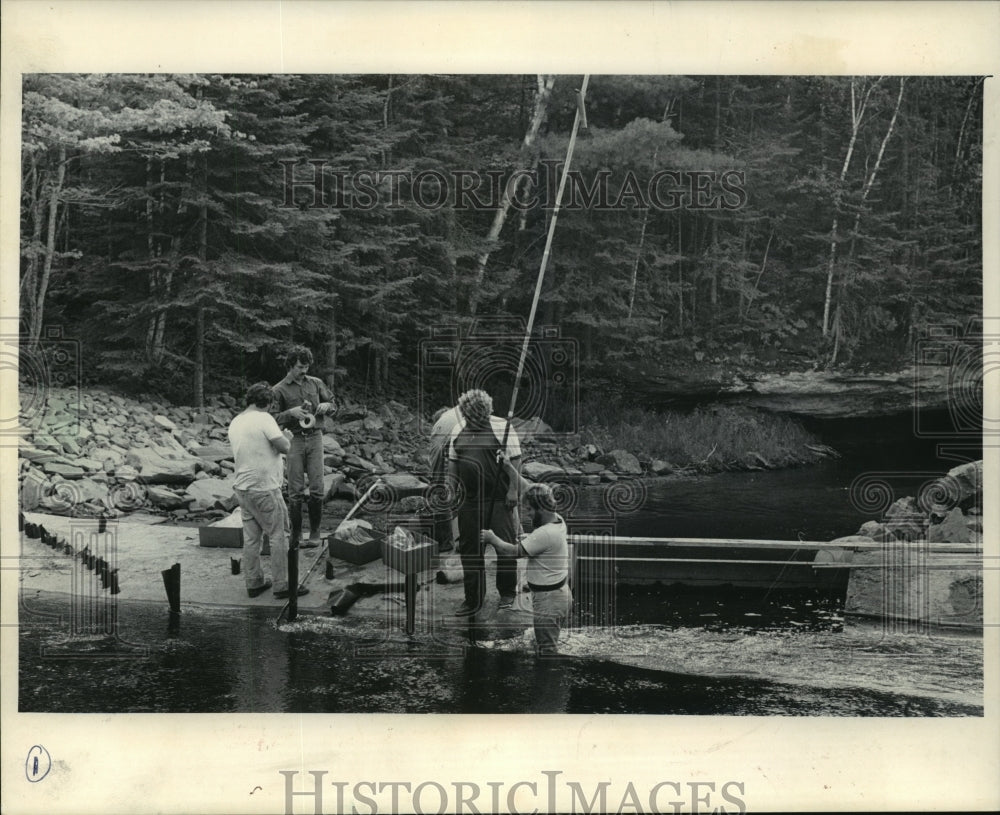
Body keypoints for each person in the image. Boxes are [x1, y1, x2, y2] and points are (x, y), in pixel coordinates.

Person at [227, 382, 308, 600]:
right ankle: (282, 585)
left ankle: (254, 582)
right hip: (264, 488)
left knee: (252, 538)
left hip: (242, 487)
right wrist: (287, 437)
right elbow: (284, 447)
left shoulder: (236, 421)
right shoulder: (264, 419)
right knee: (279, 535)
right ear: (269, 403)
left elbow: (255, 446)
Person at [447, 389, 522, 616]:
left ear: (486, 411)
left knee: (505, 547)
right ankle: (473, 599)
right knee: (470, 550)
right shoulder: (458, 429)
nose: (473, 420)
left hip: (498, 499)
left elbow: (517, 461)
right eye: (469, 416)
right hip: (469, 500)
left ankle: (507, 594)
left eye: (478, 415)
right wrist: (450, 490)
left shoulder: (503, 428)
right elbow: (453, 462)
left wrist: (513, 490)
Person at [481, 481, 571, 655]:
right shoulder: (557, 519)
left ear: (541, 508)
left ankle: (548, 680)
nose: (527, 514)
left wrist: (493, 539)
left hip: (549, 601)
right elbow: (530, 487)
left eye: (529, 509)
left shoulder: (544, 533)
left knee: (547, 652)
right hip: (557, 596)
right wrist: (508, 467)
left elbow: (514, 552)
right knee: (546, 643)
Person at [271, 346, 336, 549]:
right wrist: (291, 413)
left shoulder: (316, 383)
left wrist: (328, 407)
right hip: (294, 440)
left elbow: (334, 405)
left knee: (317, 489)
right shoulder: (278, 390)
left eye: (306, 366)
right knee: (295, 491)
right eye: (300, 367)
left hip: (316, 437)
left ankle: (315, 533)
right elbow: (271, 419)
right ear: (290, 366)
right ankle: (297, 535)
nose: (304, 370)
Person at [427, 404, 464, 553]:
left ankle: (445, 542)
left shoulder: (440, 424)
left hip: (450, 440)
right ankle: (469, 539)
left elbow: (436, 461)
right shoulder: (460, 413)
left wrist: (435, 481)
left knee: (439, 491)